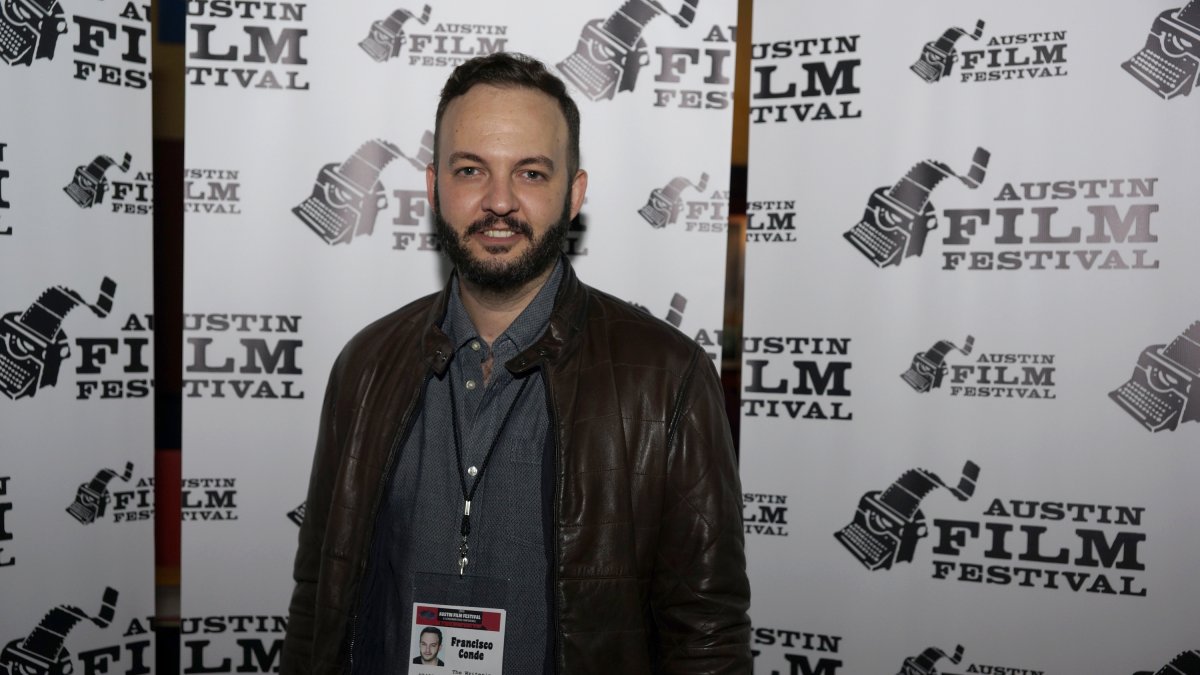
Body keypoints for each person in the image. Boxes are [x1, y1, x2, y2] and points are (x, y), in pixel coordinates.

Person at [281, 52, 750, 674]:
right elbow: (319, 604)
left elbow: (707, 636)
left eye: (530, 173)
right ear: (433, 186)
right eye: (472, 169)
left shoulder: (667, 379)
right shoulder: (365, 366)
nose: (499, 201)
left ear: (573, 192)